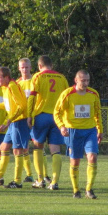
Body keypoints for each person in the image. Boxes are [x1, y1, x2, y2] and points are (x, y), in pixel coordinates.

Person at [53, 70, 103, 199]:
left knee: (92, 157)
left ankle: (89, 189)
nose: (85, 83)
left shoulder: (93, 94)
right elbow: (56, 112)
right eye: (83, 80)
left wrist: (100, 130)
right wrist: (61, 126)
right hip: (73, 131)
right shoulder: (67, 94)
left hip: (90, 131)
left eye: (87, 80)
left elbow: (97, 113)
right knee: (75, 162)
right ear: (76, 80)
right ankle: (76, 190)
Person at [27, 55, 69, 190]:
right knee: (55, 150)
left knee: (38, 147)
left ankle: (40, 180)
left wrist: (29, 115)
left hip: (41, 116)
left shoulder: (38, 77)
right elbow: (67, 98)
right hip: (58, 118)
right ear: (52, 65)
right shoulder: (61, 78)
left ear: (39, 66)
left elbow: (32, 98)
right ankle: (55, 182)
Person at [0, 67, 29, 188]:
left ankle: (18, 181)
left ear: (6, 77)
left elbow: (21, 106)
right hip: (13, 122)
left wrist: (9, 120)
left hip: (19, 121)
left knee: (17, 150)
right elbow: (9, 104)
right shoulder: (5, 87)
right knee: (4, 147)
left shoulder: (12, 86)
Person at [16, 58, 35, 183]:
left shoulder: (35, 81)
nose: (24, 69)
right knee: (24, 147)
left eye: (26, 67)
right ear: (19, 68)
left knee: (38, 146)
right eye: (22, 67)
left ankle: (43, 175)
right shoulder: (17, 83)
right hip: (21, 118)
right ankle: (29, 174)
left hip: (34, 117)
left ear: (30, 67)